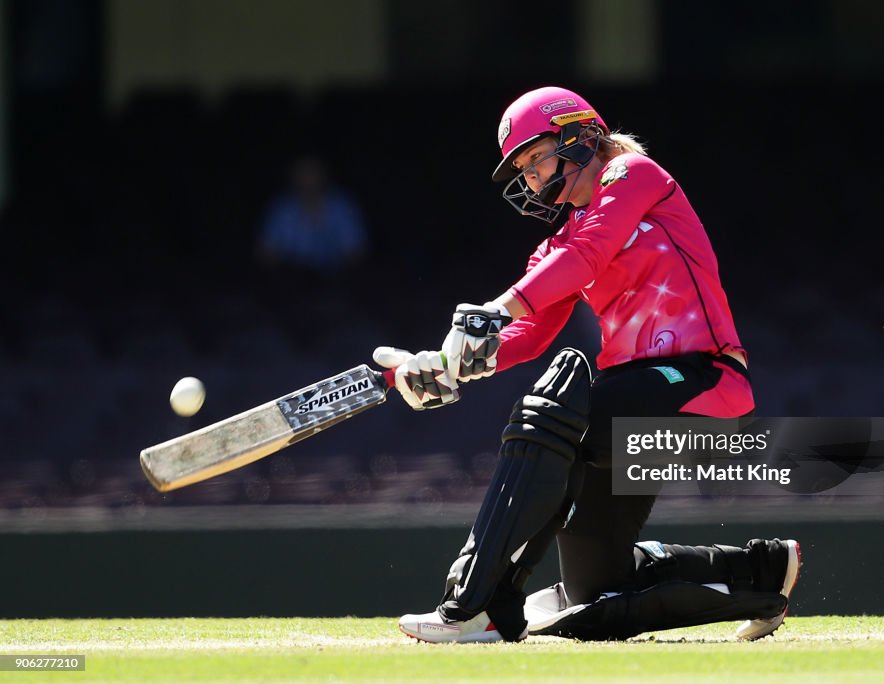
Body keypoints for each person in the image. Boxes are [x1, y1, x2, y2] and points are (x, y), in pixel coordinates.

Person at [374, 86, 800, 643]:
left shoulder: (634, 175)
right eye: (522, 169)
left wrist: (493, 311)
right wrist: (444, 368)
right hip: (629, 408)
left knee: (551, 414)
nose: (531, 178)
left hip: (702, 382)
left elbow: (588, 258)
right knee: (595, 591)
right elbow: (527, 338)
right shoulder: (554, 247)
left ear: (581, 135)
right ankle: (758, 570)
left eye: (537, 156)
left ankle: (478, 606)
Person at [257, 155, 368, 277]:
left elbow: (356, 252)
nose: (308, 179)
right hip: (291, 277)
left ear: (324, 175)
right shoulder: (281, 208)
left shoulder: (342, 206)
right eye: (302, 173)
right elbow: (266, 253)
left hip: (335, 276)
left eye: (312, 172)